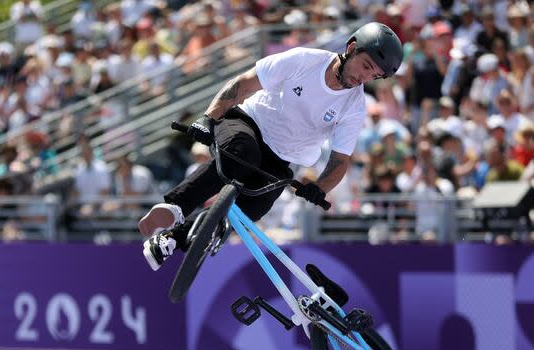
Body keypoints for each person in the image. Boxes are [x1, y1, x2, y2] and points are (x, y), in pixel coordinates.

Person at [137, 22, 403, 270]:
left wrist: (320, 188)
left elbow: (340, 160)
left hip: (282, 157)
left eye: (375, 76)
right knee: (244, 155)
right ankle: (176, 208)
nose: (365, 78)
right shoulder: (303, 60)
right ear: (351, 48)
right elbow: (244, 84)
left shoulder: (355, 106)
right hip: (248, 123)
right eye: (366, 66)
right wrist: (209, 118)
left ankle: (171, 240)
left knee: (254, 207)